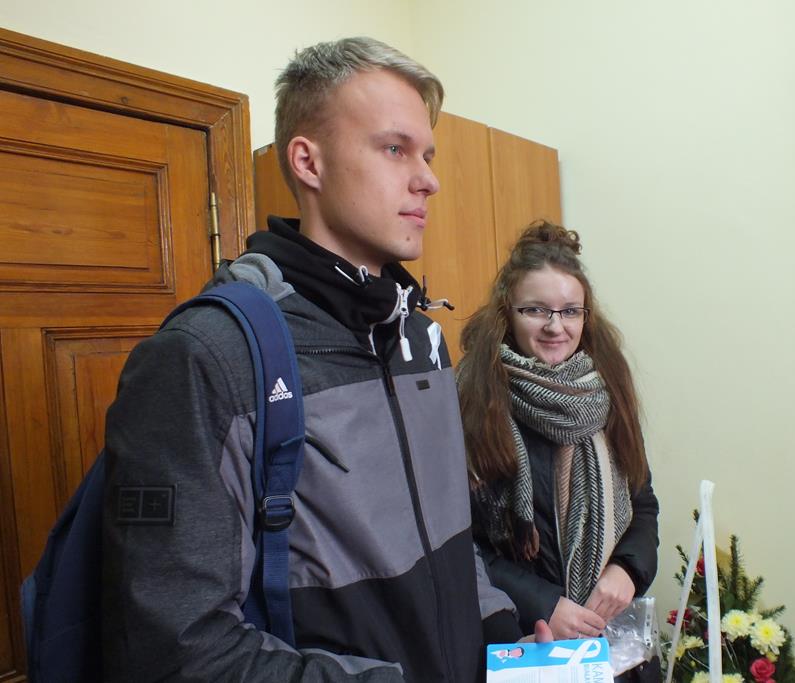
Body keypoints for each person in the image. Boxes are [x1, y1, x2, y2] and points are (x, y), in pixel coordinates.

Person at [101, 37, 541, 682]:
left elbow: (450, 539)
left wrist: (500, 636)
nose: (429, 179)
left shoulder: (422, 338)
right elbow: (176, 646)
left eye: (427, 155)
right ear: (309, 161)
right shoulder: (208, 355)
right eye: (394, 149)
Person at [457, 222, 660, 680]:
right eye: (536, 310)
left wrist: (627, 571)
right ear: (507, 313)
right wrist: (546, 604)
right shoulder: (467, 402)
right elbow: (458, 542)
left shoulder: (608, 393)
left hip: (611, 642)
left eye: (570, 311)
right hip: (521, 640)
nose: (555, 326)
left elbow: (643, 504)